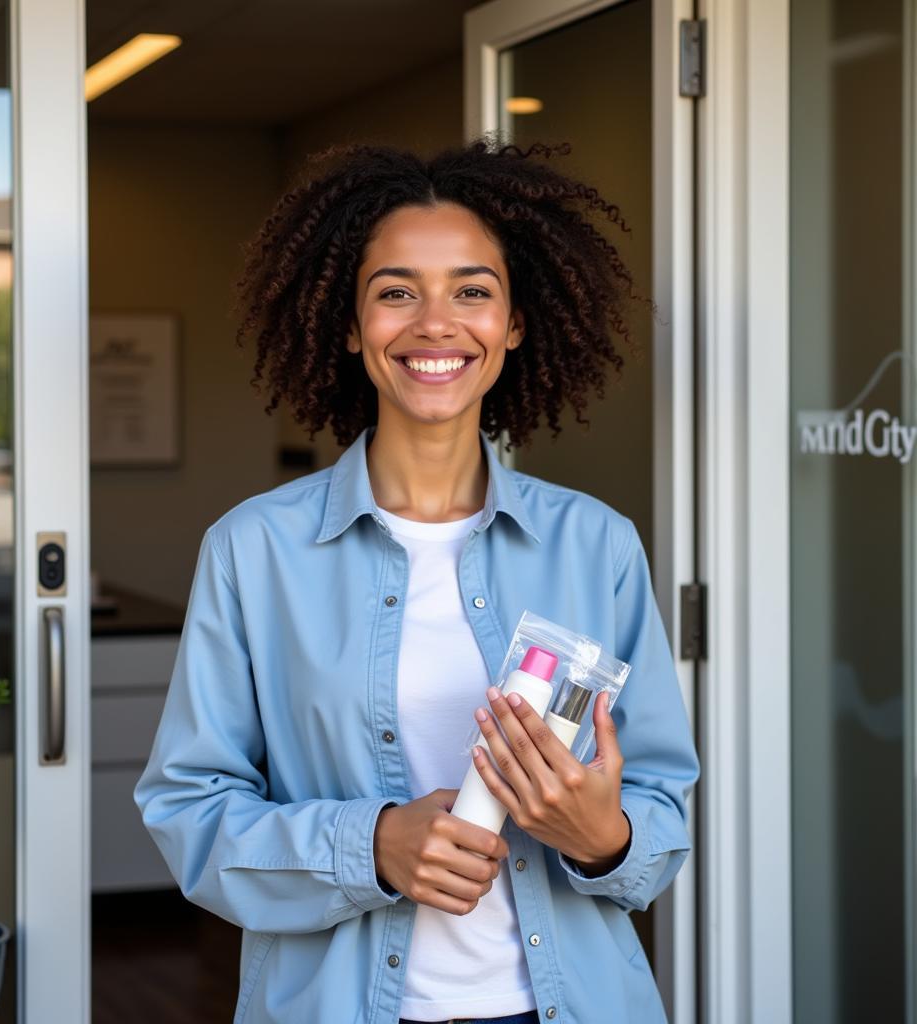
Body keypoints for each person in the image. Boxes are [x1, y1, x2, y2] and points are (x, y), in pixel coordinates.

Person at [134, 138, 699, 1024]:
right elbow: (188, 811)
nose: (437, 324)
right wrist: (371, 845)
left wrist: (604, 840)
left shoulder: (597, 546)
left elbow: (661, 805)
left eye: (473, 291)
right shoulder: (255, 552)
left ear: (514, 323)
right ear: (353, 327)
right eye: (396, 292)